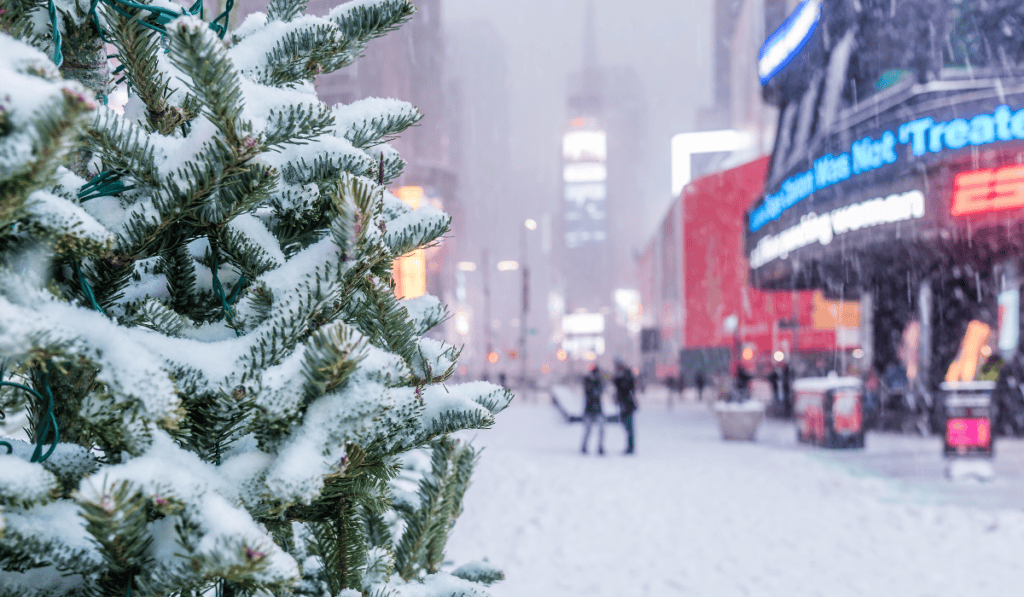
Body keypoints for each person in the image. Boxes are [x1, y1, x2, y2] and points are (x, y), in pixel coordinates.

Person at [614, 358, 638, 454]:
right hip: (624, 403)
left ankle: (630, 447)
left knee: (629, 426)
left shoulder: (627, 374)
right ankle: (630, 446)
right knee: (626, 424)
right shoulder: (621, 374)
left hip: (627, 404)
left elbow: (626, 387)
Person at [580, 363, 605, 454]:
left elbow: (600, 391)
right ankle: (584, 447)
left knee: (601, 429)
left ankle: (600, 447)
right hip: (590, 409)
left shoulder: (599, 381)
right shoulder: (588, 380)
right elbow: (589, 391)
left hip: (597, 409)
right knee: (588, 430)